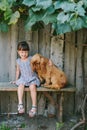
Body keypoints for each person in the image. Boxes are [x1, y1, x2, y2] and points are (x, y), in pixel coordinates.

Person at [13, 41, 40, 117]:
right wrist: (16, 80)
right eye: (21, 52)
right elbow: (18, 71)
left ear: (28, 52)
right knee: (20, 86)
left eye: (25, 52)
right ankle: (20, 104)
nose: (23, 54)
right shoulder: (18, 61)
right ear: (18, 52)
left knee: (32, 87)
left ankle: (34, 107)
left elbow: (38, 65)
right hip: (23, 78)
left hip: (32, 78)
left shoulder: (31, 59)